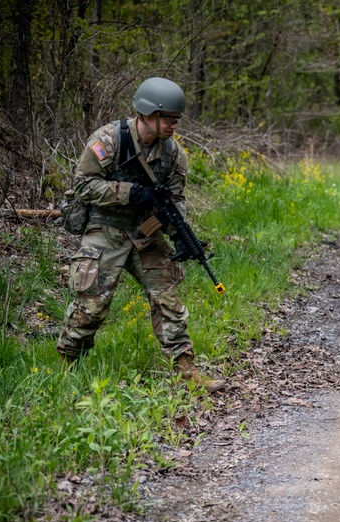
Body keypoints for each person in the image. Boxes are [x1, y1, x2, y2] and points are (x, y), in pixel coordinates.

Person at [56, 77, 225, 393]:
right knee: (92, 305)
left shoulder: (173, 154)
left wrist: (180, 235)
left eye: (176, 120)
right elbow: (83, 185)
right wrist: (128, 193)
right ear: (148, 113)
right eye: (168, 119)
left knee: (168, 300)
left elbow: (173, 202)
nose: (173, 126)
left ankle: (187, 373)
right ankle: (67, 369)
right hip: (106, 228)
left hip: (145, 233)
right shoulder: (109, 141)